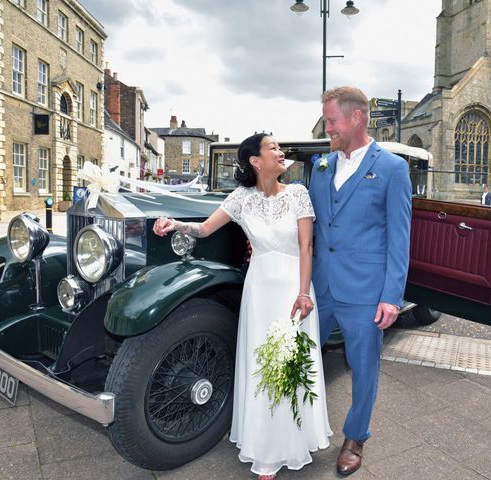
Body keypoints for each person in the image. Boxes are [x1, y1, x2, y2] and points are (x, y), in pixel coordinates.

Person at [153, 133, 332, 480]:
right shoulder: (241, 199)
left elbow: (307, 246)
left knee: (288, 363)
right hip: (260, 290)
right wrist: (174, 224)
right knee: (262, 366)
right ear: (255, 160)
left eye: (280, 148)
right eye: (273, 148)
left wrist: (304, 293)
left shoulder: (298, 194)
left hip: (294, 290)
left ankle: (291, 440)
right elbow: (204, 229)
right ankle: (265, 448)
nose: (281, 152)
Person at [309, 86, 411, 476]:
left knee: (364, 367)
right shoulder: (320, 165)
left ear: (357, 118)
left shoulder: (391, 168)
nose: (327, 127)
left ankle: (355, 438)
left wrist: (391, 296)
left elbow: (400, 238)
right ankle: (300, 426)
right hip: (320, 288)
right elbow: (309, 221)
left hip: (366, 291)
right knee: (303, 357)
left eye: (331, 120)